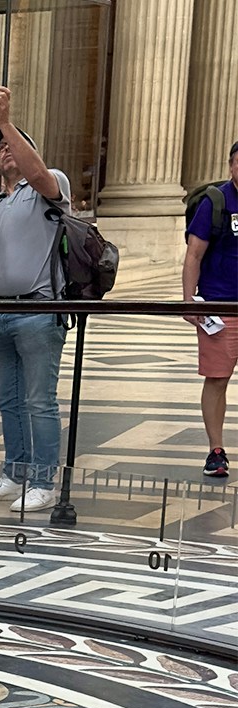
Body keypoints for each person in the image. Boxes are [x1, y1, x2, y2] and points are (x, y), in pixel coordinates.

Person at [0, 86, 71, 512]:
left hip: (37, 310)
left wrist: (6, 123)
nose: (5, 149)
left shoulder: (51, 186)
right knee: (7, 399)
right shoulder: (2, 204)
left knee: (38, 399)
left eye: (13, 144)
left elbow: (40, 174)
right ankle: (15, 472)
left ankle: (43, 479)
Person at [183, 140, 238, 478]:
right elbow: (194, 254)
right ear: (231, 166)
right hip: (221, 306)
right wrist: (188, 301)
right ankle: (215, 450)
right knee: (217, 379)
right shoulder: (215, 203)